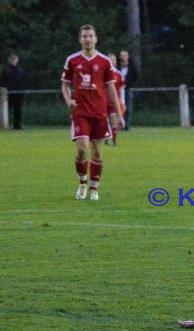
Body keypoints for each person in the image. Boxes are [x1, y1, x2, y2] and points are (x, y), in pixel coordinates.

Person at [61, 24, 124, 201]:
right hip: (80, 113)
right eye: (84, 36)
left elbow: (111, 88)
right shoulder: (72, 60)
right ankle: (82, 183)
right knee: (82, 149)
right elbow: (64, 85)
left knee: (97, 151)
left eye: (90, 36)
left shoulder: (105, 61)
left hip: (99, 113)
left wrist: (118, 114)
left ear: (96, 39)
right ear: (80, 39)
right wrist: (69, 101)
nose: (87, 39)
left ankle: (94, 187)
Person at [105, 53, 125, 146]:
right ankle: (105, 137)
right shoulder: (101, 73)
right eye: (110, 60)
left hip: (113, 102)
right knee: (103, 122)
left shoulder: (118, 74)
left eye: (113, 60)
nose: (112, 62)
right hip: (102, 102)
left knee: (114, 121)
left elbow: (121, 89)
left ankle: (114, 141)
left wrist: (122, 102)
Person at [0, 53, 25, 130]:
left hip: (19, 93)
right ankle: (3, 125)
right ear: (9, 61)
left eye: (15, 59)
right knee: (6, 109)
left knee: (18, 110)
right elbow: (2, 81)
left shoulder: (20, 70)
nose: (14, 61)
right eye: (12, 60)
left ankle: (17, 126)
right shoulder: (6, 70)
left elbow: (23, 81)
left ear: (17, 60)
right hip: (8, 93)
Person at [118, 49, 138, 131]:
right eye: (122, 55)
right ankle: (119, 125)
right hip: (118, 90)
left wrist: (130, 84)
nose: (123, 57)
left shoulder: (132, 67)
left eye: (125, 55)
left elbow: (136, 76)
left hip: (128, 89)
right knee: (119, 107)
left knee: (128, 109)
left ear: (128, 56)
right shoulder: (117, 67)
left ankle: (127, 126)